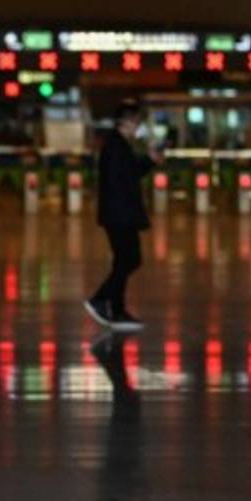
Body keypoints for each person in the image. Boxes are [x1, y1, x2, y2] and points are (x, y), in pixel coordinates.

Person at [84, 103, 163, 332]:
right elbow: (125, 178)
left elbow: (131, 173)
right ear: (125, 122)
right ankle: (100, 300)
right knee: (131, 259)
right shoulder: (115, 146)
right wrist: (147, 161)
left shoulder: (119, 145)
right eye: (136, 122)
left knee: (124, 260)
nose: (138, 127)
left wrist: (149, 161)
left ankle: (116, 310)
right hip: (119, 215)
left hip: (120, 214)